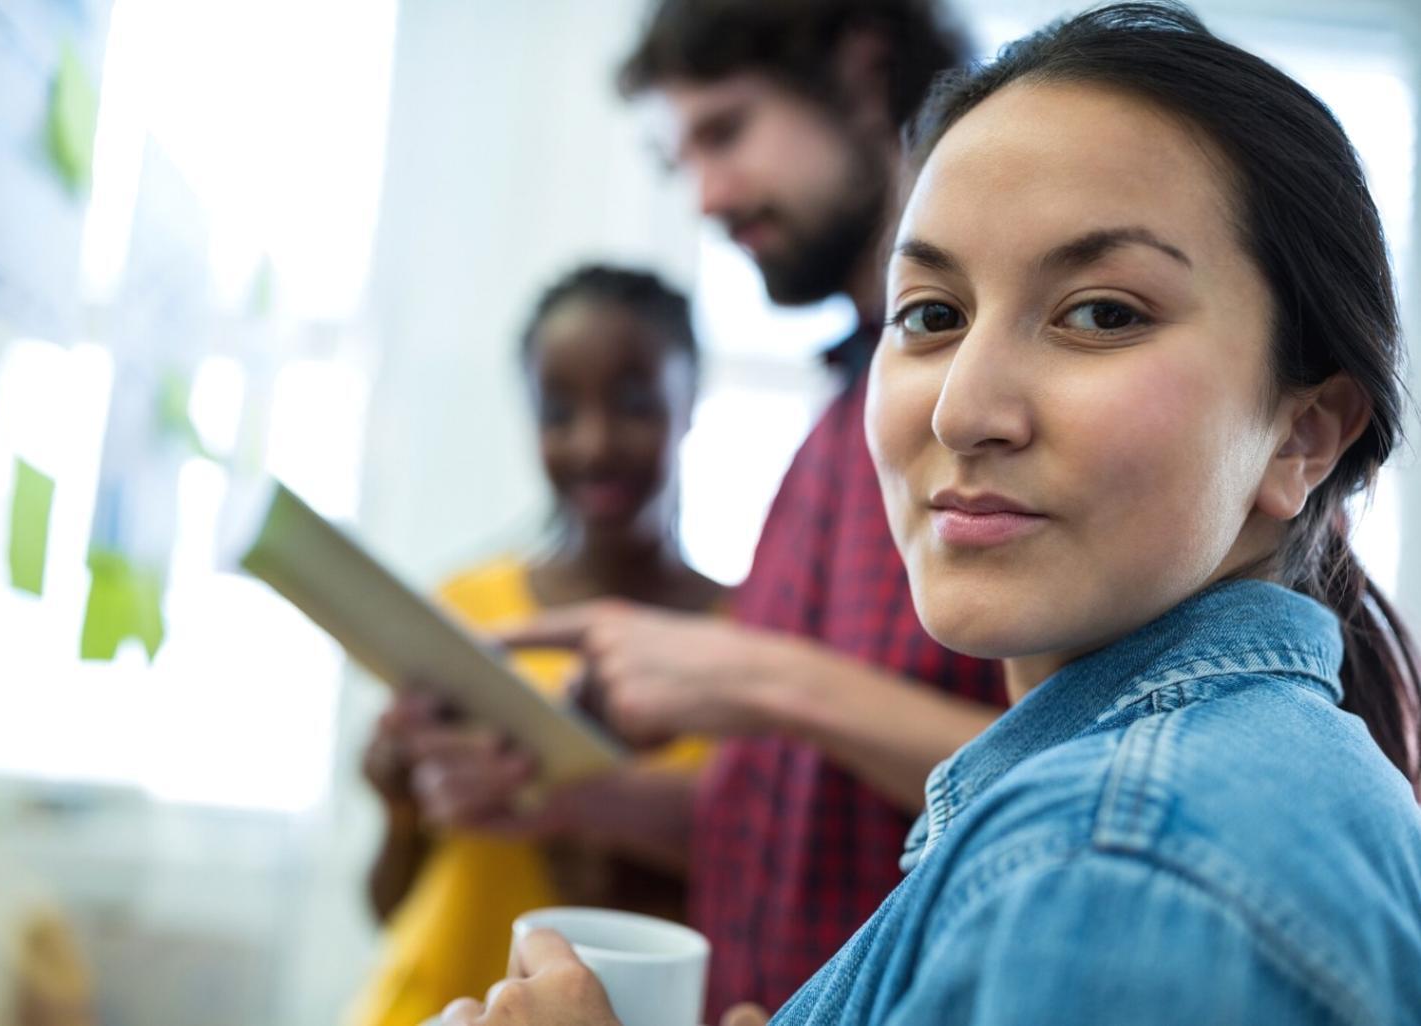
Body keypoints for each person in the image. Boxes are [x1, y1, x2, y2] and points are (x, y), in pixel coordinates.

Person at [438, 3, 1421, 1024]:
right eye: (931, 316)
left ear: (1305, 434)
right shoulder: (1135, 822)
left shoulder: (1121, 862)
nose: (961, 408)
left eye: (1100, 314)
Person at [491, 4, 1004, 1017]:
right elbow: (795, 821)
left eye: (725, 131)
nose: (708, 196)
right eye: (680, 155)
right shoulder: (827, 437)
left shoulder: (994, 424)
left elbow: (1087, 784)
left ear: (862, 75)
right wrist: (547, 795)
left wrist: (753, 677)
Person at [345, 265, 725, 1026]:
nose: (594, 443)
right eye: (557, 412)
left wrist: (578, 809)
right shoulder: (467, 613)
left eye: (633, 404)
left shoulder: (744, 649)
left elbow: (731, 911)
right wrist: (396, 799)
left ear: (690, 404)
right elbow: (389, 905)